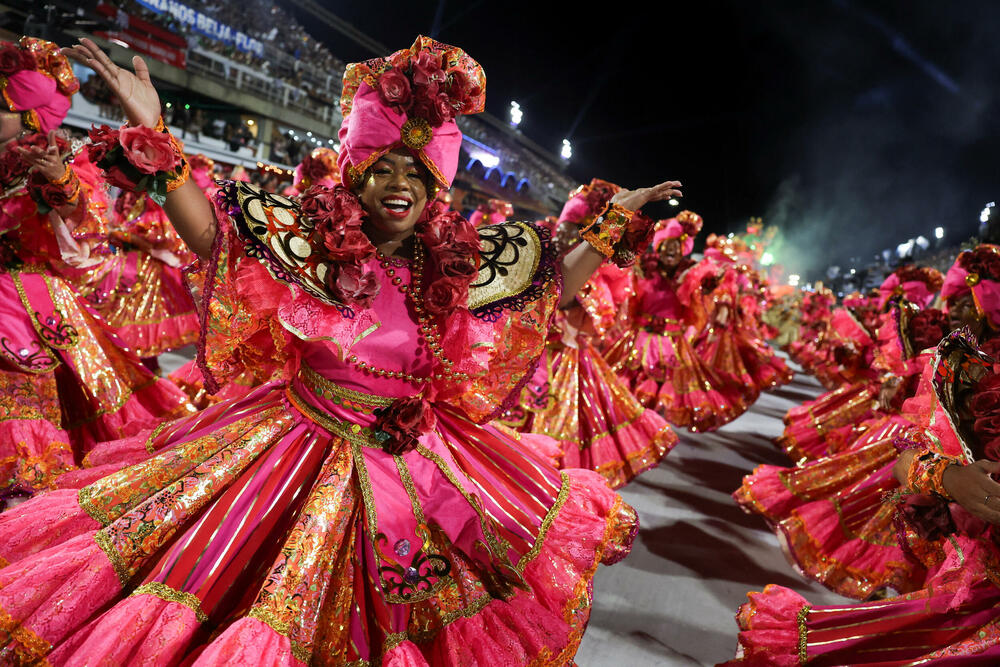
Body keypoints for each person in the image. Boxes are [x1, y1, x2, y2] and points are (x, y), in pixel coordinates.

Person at [0, 35, 680, 663]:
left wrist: (619, 224)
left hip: (421, 464)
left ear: (437, 191)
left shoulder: (454, 266)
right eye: (384, 169)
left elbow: (551, 282)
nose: (400, 187)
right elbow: (213, 236)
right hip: (295, 444)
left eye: (418, 177)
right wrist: (159, 139)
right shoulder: (316, 246)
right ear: (355, 173)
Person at [0, 37, 191, 496]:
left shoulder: (59, 158)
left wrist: (61, 184)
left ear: (28, 115)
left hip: (23, 304)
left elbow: (87, 224)